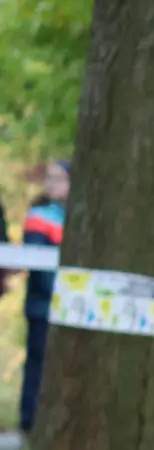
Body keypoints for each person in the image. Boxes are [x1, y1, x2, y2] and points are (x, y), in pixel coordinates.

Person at [17, 159, 69, 435]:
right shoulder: (40, 217)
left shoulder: (76, 218)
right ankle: (30, 421)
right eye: (49, 178)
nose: (52, 184)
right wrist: (61, 294)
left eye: (59, 178)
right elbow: (38, 265)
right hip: (43, 304)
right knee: (39, 363)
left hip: (69, 305)